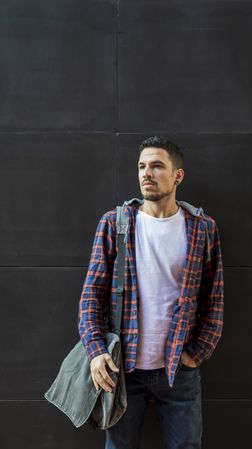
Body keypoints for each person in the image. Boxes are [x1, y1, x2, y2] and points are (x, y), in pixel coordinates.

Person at [78, 136, 224, 449]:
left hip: (178, 373)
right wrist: (95, 351)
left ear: (177, 176)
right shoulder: (115, 224)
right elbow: (91, 297)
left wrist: (196, 354)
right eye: (142, 166)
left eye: (157, 166)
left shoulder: (202, 228)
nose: (147, 172)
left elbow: (214, 301)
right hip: (123, 371)